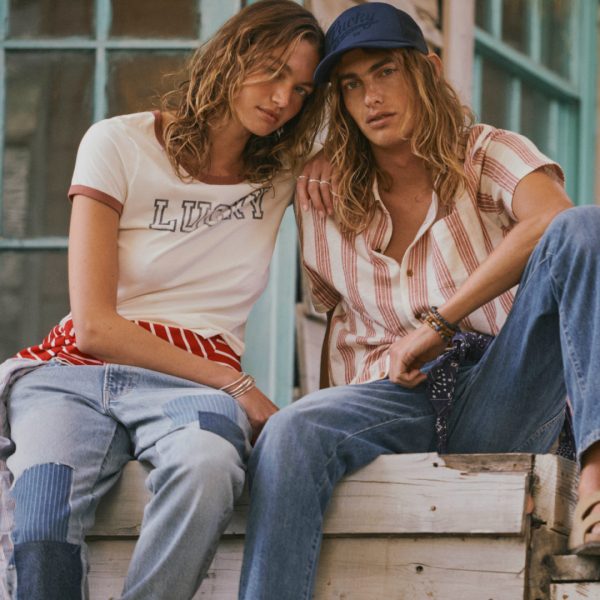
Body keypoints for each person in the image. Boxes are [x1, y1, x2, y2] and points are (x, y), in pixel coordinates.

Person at [238, 3, 600, 599]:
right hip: (394, 401)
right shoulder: (323, 195)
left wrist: (440, 322)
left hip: (496, 392)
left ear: (427, 70)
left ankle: (596, 483)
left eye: (385, 72)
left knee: (586, 228)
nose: (371, 98)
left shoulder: (485, 153)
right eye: (351, 85)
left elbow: (553, 220)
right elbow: (338, 322)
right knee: (291, 431)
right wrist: (328, 416)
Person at [0, 1, 326, 598]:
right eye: (273, 71)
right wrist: (238, 386)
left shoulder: (283, 173)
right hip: (73, 375)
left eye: (301, 89)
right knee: (41, 516)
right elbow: (95, 327)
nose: (283, 98)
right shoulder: (118, 143)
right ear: (231, 57)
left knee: (208, 467)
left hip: (188, 388)